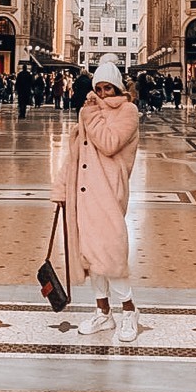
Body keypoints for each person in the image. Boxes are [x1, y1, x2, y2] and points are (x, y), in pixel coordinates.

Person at [51, 59, 141, 342]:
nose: (103, 94)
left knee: (110, 253)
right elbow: (75, 155)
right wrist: (61, 189)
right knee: (90, 256)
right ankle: (103, 312)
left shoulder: (128, 111)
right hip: (82, 193)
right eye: (98, 89)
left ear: (117, 88)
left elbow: (109, 143)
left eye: (108, 88)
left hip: (108, 194)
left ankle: (129, 312)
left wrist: (91, 115)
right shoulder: (91, 111)